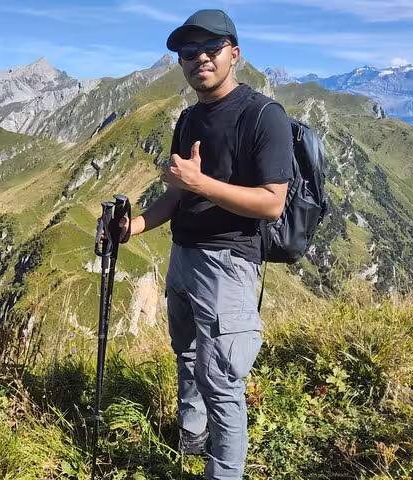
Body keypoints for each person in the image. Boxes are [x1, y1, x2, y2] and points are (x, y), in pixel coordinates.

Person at [118, 9, 293, 480]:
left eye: (210, 49)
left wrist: (202, 182)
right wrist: (133, 227)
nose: (199, 59)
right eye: (187, 52)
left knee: (221, 381)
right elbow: (176, 195)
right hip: (184, 257)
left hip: (229, 263)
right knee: (188, 354)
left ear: (234, 54)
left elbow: (272, 203)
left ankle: (225, 472)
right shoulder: (189, 118)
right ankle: (191, 436)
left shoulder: (263, 115)